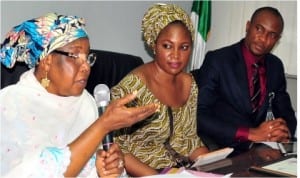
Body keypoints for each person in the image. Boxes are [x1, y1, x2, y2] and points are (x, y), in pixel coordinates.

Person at [0, 12, 158, 178]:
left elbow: (94, 164)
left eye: (87, 57)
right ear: (47, 61)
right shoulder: (10, 105)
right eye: (75, 56)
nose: (86, 67)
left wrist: (108, 168)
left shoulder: (85, 102)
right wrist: (103, 125)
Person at [111, 3, 209, 177]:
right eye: (167, 46)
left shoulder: (189, 83)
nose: (176, 55)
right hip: (143, 172)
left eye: (184, 47)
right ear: (153, 45)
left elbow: (188, 139)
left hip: (180, 170)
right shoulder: (132, 88)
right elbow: (118, 150)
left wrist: (212, 163)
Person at [192, 6, 297, 154]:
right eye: (259, 29)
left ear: (277, 40)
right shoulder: (218, 60)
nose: (263, 38)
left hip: (261, 150)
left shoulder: (275, 66)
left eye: (272, 35)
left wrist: (283, 132)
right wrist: (250, 133)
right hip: (223, 149)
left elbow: (286, 113)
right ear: (248, 26)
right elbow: (199, 115)